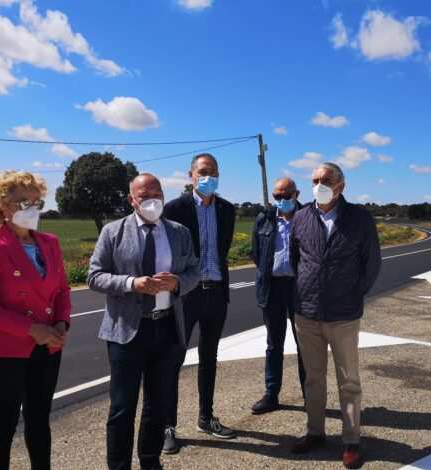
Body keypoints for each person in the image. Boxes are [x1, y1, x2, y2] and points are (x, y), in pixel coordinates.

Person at [87, 174, 199, 470]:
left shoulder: (179, 232)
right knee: (122, 407)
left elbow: (193, 270)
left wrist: (178, 283)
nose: (153, 200)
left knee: (158, 405)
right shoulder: (113, 232)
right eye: (144, 196)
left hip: (167, 328)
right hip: (127, 331)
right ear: (131, 200)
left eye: (157, 194)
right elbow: (94, 276)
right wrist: (131, 283)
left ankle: (150, 461)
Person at [0, 171, 71, 470]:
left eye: (36, 202)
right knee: (3, 426)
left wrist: (61, 323)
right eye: (23, 202)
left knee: (39, 421)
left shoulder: (49, 243)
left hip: (48, 346)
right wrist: (30, 329)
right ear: (2, 205)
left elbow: (62, 291)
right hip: (5, 351)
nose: (31, 208)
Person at [289, 162, 381, 469]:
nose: (319, 185)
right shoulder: (302, 217)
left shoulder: (359, 218)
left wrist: (353, 294)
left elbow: (371, 264)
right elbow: (295, 258)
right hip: (307, 313)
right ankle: (315, 432)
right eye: (315, 180)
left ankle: (351, 440)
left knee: (349, 380)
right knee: (313, 378)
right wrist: (302, 291)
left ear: (341, 185)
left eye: (326, 180)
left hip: (344, 315)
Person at [163, 153, 237, 451]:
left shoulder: (227, 209)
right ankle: (167, 426)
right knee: (173, 359)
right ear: (191, 175)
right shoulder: (174, 209)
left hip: (216, 292)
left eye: (214, 172)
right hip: (186, 294)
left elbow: (222, 250)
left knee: (209, 358)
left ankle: (206, 417)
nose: (209, 177)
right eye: (203, 171)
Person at [250, 177, 306, 414]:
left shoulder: (308, 217)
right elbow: (256, 253)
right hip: (272, 288)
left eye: (286, 195)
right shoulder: (264, 219)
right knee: (274, 344)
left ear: (296, 194)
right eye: (277, 196)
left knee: (305, 345)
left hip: (300, 288)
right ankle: (271, 394)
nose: (282, 200)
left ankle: (311, 395)